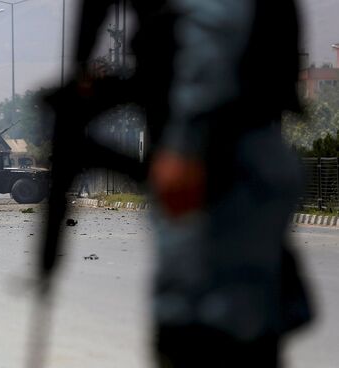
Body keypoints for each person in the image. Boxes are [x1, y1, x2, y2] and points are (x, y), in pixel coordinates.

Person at [40, 1, 311, 367]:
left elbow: (215, 41)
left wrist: (186, 143)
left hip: (224, 163)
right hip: (219, 165)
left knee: (209, 329)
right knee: (208, 321)